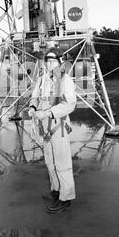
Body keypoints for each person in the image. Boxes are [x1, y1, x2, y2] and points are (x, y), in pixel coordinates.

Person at [28, 48, 77, 213]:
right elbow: (34, 96)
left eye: (53, 61)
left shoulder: (65, 80)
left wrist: (48, 113)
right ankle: (56, 191)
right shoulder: (42, 80)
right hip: (45, 128)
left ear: (60, 61)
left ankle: (66, 198)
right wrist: (32, 108)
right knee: (50, 162)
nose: (50, 64)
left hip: (58, 127)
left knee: (62, 164)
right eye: (47, 61)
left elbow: (70, 104)